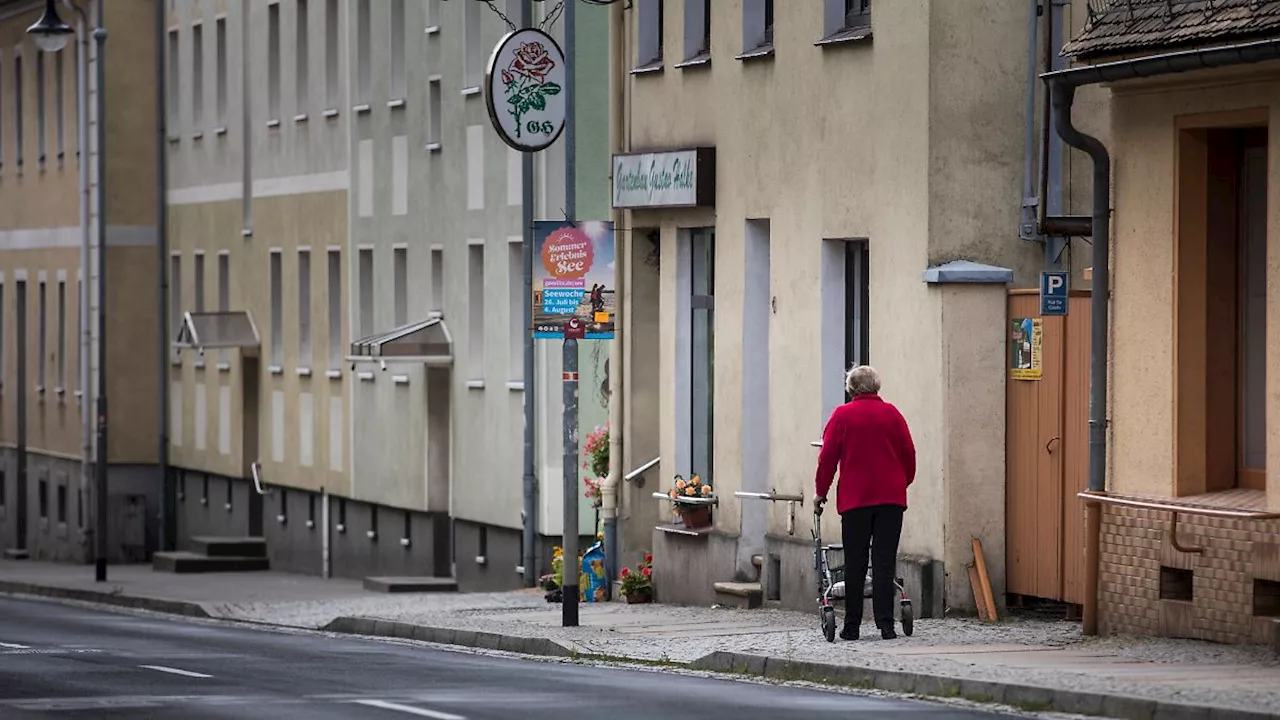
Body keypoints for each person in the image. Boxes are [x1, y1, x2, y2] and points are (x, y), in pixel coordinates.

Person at [813, 365, 916, 641]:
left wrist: (820, 493)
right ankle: (886, 625)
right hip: (891, 500)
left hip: (855, 500)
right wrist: (899, 484)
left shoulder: (842, 415)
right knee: (884, 562)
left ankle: (852, 627)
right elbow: (909, 453)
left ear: (851, 388)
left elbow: (827, 458)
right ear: (876, 386)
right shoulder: (893, 414)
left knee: (855, 563)